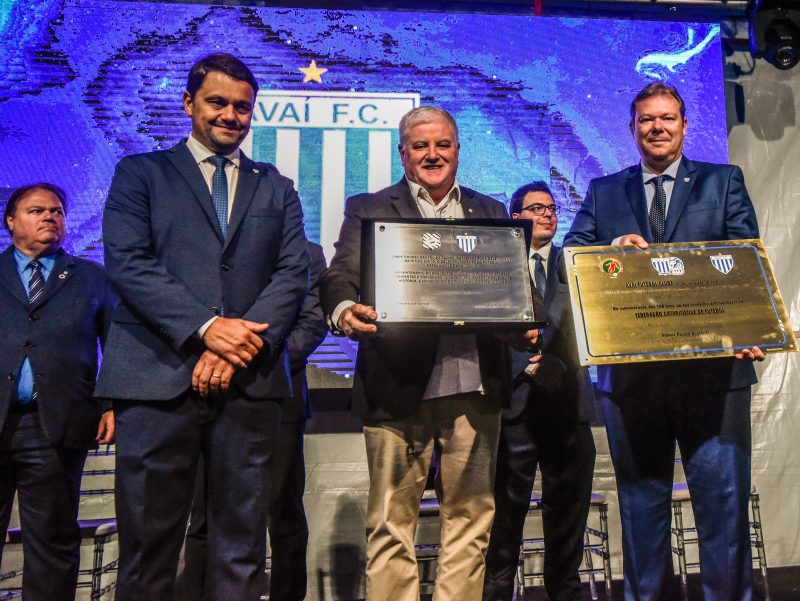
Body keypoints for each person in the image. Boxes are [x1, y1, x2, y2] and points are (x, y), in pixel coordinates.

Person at [95, 53, 309, 601]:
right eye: (217, 102)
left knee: (241, 551)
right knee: (147, 549)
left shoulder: (277, 187)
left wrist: (234, 343)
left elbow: (291, 274)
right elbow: (128, 263)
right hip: (156, 382)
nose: (230, 116)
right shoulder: (139, 173)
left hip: (249, 383)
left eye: (242, 107)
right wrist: (207, 327)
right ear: (189, 103)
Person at [320, 105, 537, 601]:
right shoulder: (369, 206)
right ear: (403, 152)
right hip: (398, 390)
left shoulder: (489, 211)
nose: (432, 154)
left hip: (476, 392)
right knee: (391, 525)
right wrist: (345, 309)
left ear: (458, 150)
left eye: (442, 144)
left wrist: (529, 326)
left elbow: (519, 286)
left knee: (471, 522)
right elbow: (339, 275)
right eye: (420, 145)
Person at [563, 82, 765, 601]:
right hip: (632, 382)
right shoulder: (606, 191)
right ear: (631, 128)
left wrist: (750, 328)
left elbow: (747, 259)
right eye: (647, 119)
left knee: (723, 510)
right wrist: (612, 248)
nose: (657, 127)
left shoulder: (723, 183)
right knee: (640, 508)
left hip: (715, 377)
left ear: (684, 126)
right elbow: (572, 257)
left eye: (668, 118)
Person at [180, 242, 327, 601]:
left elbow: (312, 323)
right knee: (203, 513)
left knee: (283, 512)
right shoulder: (208, 245)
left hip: (278, 396)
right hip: (208, 392)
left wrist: (248, 362)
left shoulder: (305, 253)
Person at [0, 183, 116, 601]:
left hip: (55, 425)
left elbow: (115, 345)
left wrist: (110, 404)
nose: (50, 217)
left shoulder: (92, 277)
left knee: (51, 542)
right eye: (37, 211)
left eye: (57, 211)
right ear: (11, 221)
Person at [483, 181, 596, 601]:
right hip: (513, 410)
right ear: (516, 218)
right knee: (504, 524)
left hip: (569, 410)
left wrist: (557, 363)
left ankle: (564, 591)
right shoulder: (494, 266)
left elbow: (592, 325)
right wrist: (526, 364)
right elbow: (483, 330)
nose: (548, 214)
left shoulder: (577, 264)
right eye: (536, 208)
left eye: (551, 208)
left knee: (567, 522)